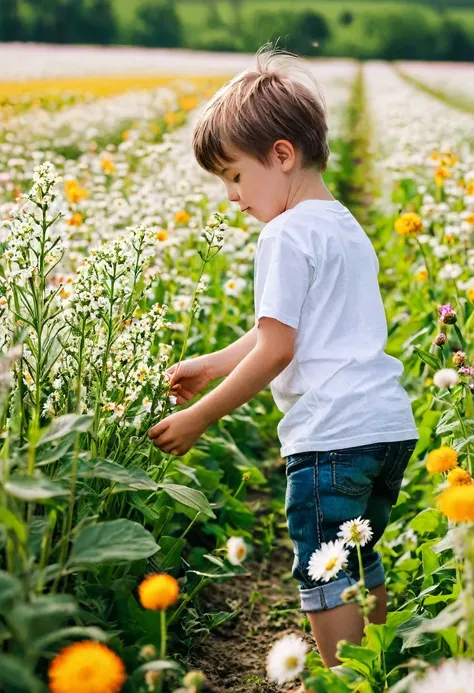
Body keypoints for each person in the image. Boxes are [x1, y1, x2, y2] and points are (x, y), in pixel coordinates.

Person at [148, 45, 418, 681]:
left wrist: (199, 418)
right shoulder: (344, 224)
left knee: (323, 569)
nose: (233, 197)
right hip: (385, 428)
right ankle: (373, 672)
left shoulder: (284, 234)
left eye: (235, 176)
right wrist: (213, 364)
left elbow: (278, 348)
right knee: (359, 558)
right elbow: (287, 328)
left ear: (281, 155)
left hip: (331, 437)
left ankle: (342, 679)